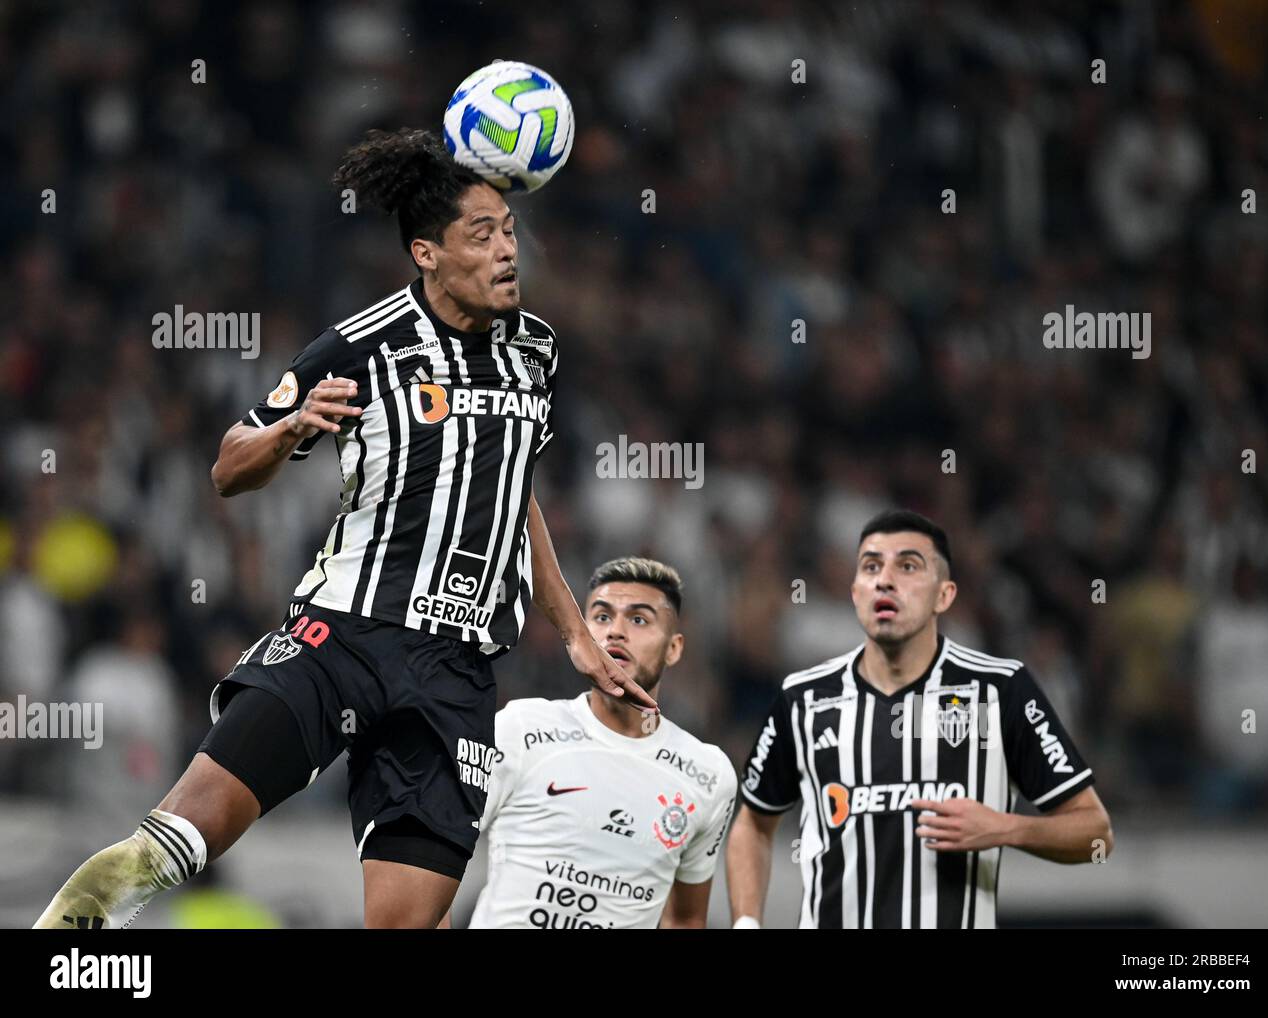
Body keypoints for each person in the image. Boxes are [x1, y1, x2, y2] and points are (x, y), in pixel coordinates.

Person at [34, 128, 654, 931]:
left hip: (455, 674)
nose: (507, 250)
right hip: (343, 639)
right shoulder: (360, 346)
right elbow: (228, 466)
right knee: (179, 839)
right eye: (482, 234)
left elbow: (513, 490)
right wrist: (293, 426)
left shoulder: (534, 351)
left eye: (509, 230)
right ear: (427, 254)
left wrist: (572, 628)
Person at [726, 509, 1113, 929]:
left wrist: (1005, 828)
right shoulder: (803, 698)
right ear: (856, 592)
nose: (885, 580)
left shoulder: (1000, 690)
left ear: (944, 596)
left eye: (908, 566)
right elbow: (753, 823)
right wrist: (747, 923)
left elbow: (1095, 833)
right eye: (871, 567)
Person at [449, 557, 735, 929]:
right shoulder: (521, 729)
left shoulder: (708, 774)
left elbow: (684, 919)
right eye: (601, 617)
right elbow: (438, 858)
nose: (615, 631)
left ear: (674, 648)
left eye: (639, 619)